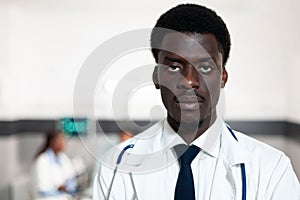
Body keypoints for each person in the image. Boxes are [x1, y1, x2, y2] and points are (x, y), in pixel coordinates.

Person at [93, 4, 300, 200]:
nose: (189, 81)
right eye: (174, 67)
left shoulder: (271, 169)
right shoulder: (116, 167)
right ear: (157, 76)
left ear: (223, 77)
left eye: (205, 67)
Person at [32, 131, 78, 200]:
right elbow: (42, 189)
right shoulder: (42, 161)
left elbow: (71, 178)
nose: (64, 143)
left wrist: (67, 186)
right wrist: (59, 189)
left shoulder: (63, 158)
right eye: (61, 140)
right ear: (52, 142)